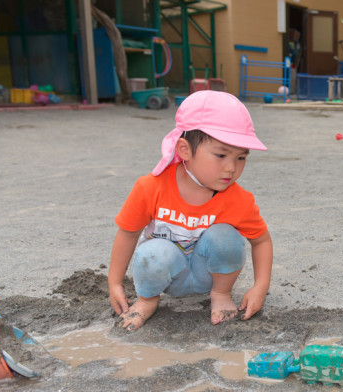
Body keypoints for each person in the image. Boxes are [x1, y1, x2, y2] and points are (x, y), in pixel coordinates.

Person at [108, 90, 273, 331]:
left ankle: (221, 295)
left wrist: (260, 287)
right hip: (166, 273)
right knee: (153, 252)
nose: (231, 168)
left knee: (226, 237)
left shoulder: (238, 198)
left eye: (241, 158)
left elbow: (262, 241)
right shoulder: (150, 187)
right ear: (184, 149)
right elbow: (128, 233)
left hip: (209, 275)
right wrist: (114, 282)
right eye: (221, 155)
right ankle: (148, 300)